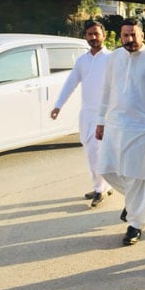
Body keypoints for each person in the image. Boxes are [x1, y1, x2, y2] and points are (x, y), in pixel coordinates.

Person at [95, 18, 145, 246]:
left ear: (142, 35)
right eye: (125, 36)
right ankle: (132, 205)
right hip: (116, 124)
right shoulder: (114, 58)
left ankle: (135, 224)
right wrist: (100, 121)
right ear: (120, 36)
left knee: (138, 177)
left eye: (133, 35)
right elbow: (106, 90)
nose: (129, 40)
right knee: (106, 170)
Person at [50, 20, 112, 207]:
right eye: (89, 34)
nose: (93, 37)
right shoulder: (82, 61)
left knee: (97, 152)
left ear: (104, 35)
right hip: (86, 114)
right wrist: (58, 105)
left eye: (96, 34)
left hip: (105, 115)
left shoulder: (111, 58)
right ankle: (101, 185)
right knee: (89, 150)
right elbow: (71, 83)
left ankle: (101, 190)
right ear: (85, 36)